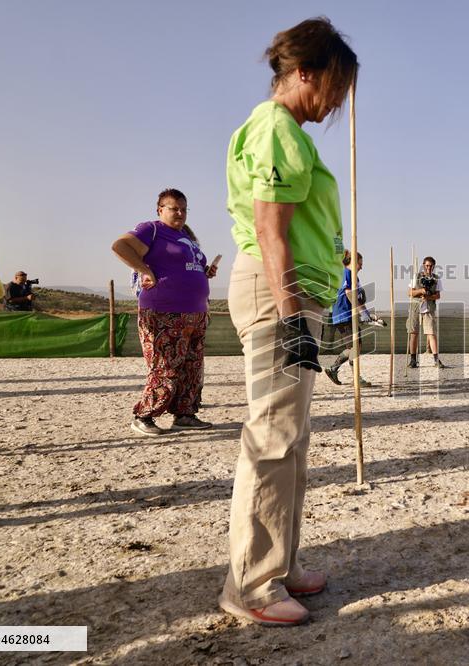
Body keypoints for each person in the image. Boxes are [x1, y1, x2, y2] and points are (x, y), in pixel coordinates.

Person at [221, 17, 358, 627]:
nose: (337, 102)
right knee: (273, 435)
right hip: (281, 294)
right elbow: (270, 229)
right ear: (304, 72)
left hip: (296, 295)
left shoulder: (286, 132)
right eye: (334, 85)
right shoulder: (277, 128)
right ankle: (252, 585)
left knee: (292, 437)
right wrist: (290, 313)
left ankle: (280, 561)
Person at [111, 188, 218, 436]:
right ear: (160, 210)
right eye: (174, 208)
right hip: (163, 311)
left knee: (191, 367)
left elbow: (189, 266)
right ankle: (144, 416)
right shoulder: (152, 230)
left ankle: (184, 415)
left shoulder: (186, 238)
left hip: (195, 312)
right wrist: (144, 270)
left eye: (184, 209)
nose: (180, 213)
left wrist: (205, 272)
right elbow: (120, 246)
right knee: (165, 366)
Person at [324, 250, 385, 387]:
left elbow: (358, 299)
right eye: (359, 264)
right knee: (355, 346)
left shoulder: (354, 277)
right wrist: (362, 313)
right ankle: (356, 378)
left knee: (354, 347)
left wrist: (368, 314)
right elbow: (349, 293)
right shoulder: (346, 273)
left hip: (348, 315)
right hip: (343, 315)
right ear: (352, 262)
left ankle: (333, 369)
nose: (361, 267)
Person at [407, 256, 447, 368]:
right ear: (424, 265)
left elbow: (438, 296)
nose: (429, 267)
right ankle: (413, 360)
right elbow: (410, 293)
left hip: (429, 309)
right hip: (415, 308)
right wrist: (421, 291)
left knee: (431, 333)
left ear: (434, 266)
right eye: (427, 265)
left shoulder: (436, 279)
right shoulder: (416, 277)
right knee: (413, 333)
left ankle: (436, 360)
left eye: (431, 266)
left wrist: (428, 296)